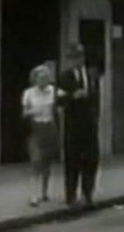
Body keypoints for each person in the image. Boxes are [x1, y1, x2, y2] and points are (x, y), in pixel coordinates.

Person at [56, 43, 101, 208]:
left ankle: (88, 194)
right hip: (73, 125)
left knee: (91, 160)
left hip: (89, 124)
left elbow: (96, 98)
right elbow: (59, 100)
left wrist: (96, 118)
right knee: (73, 161)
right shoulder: (64, 77)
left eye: (79, 57)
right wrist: (73, 96)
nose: (77, 61)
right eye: (73, 58)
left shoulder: (91, 76)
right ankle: (71, 196)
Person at [22, 64, 58, 207]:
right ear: (35, 79)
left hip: (50, 127)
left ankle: (45, 192)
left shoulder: (53, 91)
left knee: (47, 162)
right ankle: (33, 195)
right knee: (36, 161)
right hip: (36, 128)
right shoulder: (29, 93)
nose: (44, 80)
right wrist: (35, 110)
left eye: (46, 77)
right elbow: (24, 113)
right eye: (41, 77)